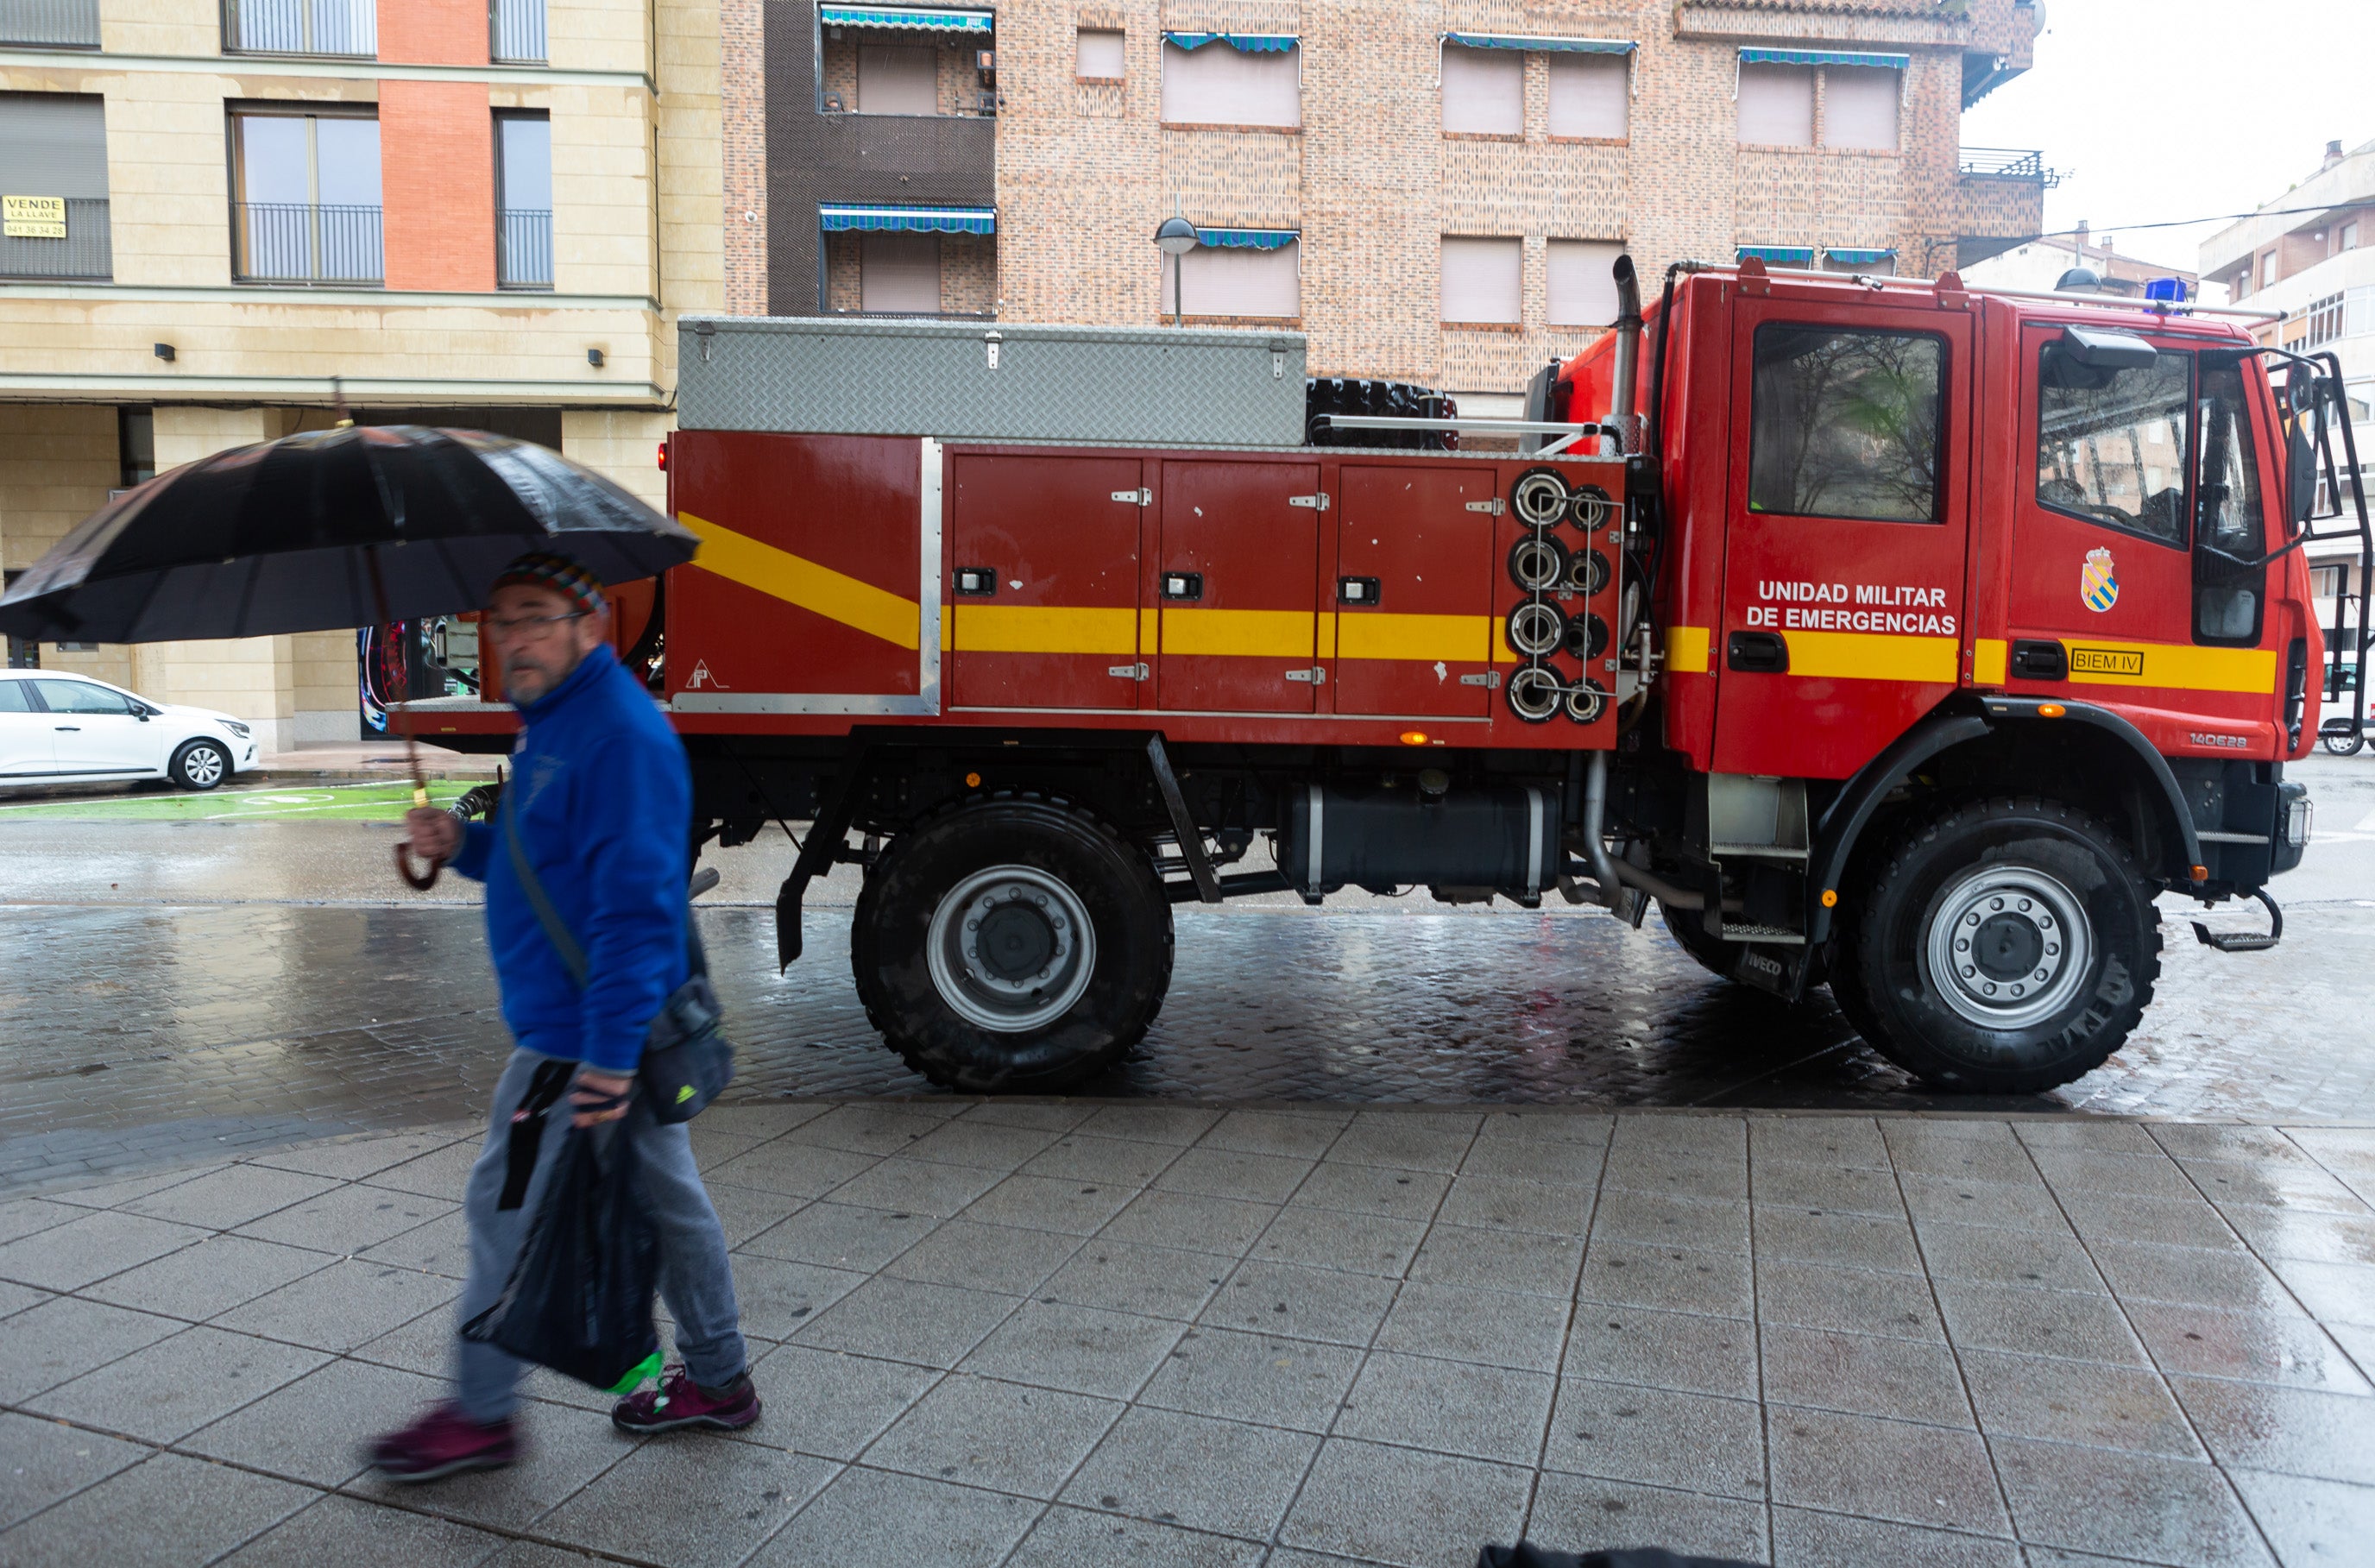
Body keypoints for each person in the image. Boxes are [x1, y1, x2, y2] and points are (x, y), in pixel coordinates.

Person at [368, 551, 759, 1483]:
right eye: (501, 622)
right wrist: (462, 843)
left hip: (581, 1034)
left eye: (535, 616)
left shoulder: (616, 734)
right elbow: (544, 864)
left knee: (502, 1214)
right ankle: (719, 1376)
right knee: (670, 1206)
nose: (514, 640)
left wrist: (608, 1056)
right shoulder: (555, 726)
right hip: (594, 1028)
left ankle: (481, 1414)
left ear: (591, 623)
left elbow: (634, 908)